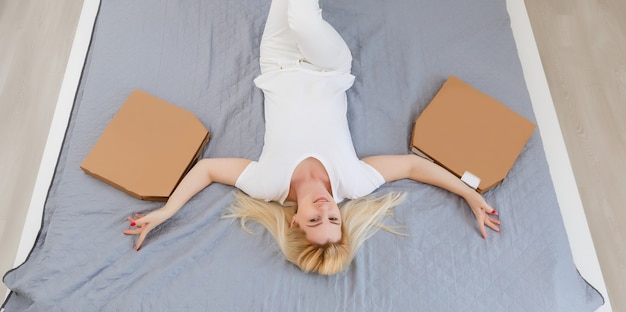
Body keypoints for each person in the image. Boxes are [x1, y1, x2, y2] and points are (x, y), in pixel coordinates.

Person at [124, 0, 500, 275]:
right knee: (302, 17)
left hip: (276, 61)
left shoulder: (266, 185)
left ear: (294, 222)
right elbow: (414, 166)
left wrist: (167, 211)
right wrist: (469, 193)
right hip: (329, 68)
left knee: (291, 11)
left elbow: (206, 170)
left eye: (314, 220)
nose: (324, 209)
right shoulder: (353, 183)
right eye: (333, 219)